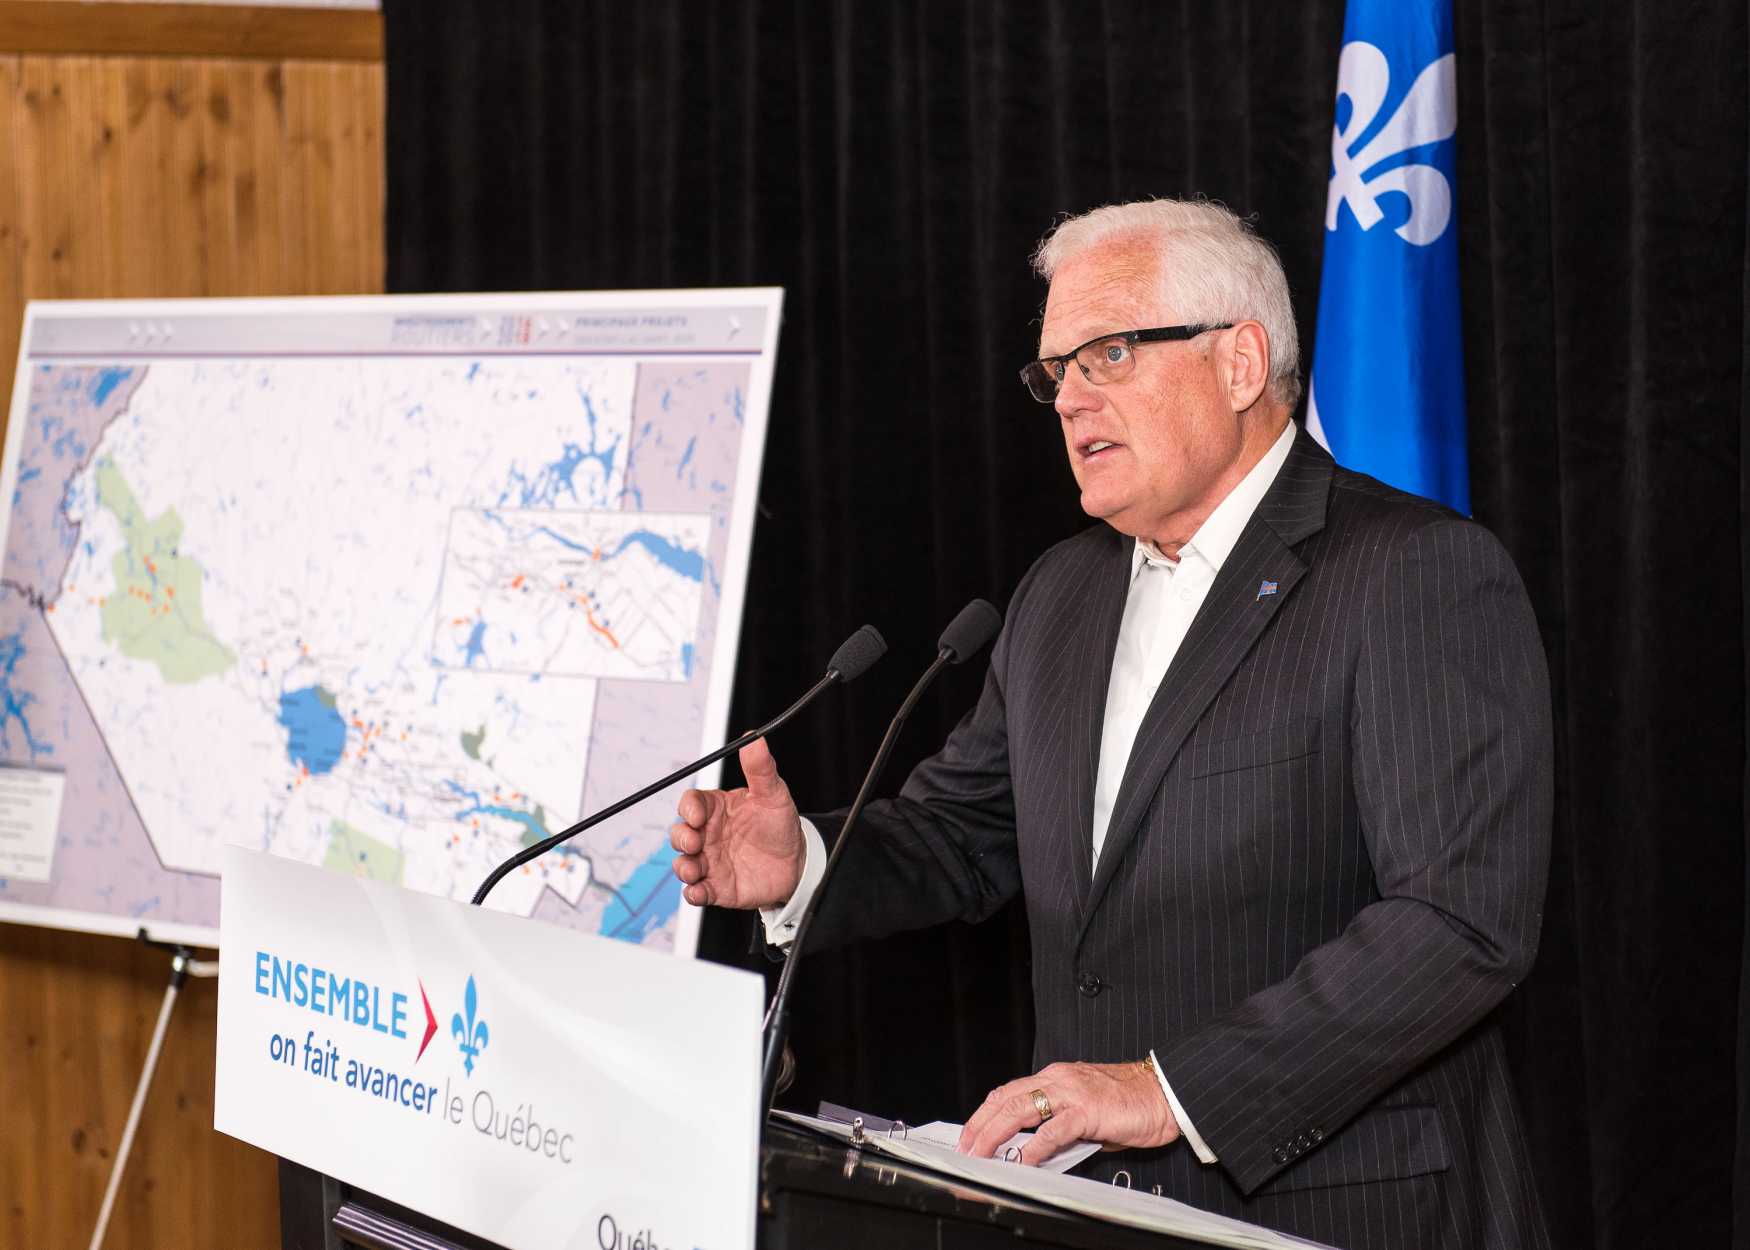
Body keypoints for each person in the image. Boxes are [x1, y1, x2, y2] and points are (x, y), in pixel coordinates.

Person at [670, 199, 1552, 1250]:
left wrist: (1166, 1089)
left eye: (1112, 354)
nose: (1070, 399)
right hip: (1090, 1208)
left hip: (1339, 1209)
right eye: (1056, 371)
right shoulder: (1062, 590)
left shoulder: (1414, 573)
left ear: (1239, 362)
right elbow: (962, 833)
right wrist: (805, 863)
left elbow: (1458, 923)